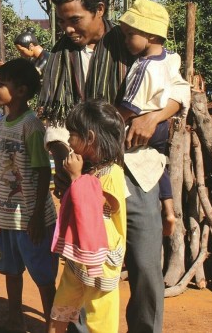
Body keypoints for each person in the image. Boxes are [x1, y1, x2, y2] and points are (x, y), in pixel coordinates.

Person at [38, 0, 189, 333]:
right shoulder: (59, 57)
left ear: (99, 10)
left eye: (75, 20)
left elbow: (178, 88)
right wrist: (68, 156)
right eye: (62, 21)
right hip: (84, 178)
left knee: (145, 266)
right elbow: (55, 120)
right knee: (82, 263)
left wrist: (154, 117)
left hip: (138, 172)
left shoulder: (131, 44)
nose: (68, 29)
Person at [0, 58, 57, 332]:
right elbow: (0, 171)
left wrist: (37, 216)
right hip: (8, 218)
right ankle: (15, 321)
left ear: (21, 91)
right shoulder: (2, 123)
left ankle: (53, 324)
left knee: (43, 277)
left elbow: (42, 172)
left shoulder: (32, 125)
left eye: (1, 84)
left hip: (31, 220)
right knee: (12, 271)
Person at [49, 100, 127, 333]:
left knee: (99, 320)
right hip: (79, 254)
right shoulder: (91, 169)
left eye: (72, 134)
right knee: (60, 308)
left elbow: (92, 207)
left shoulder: (112, 173)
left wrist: (75, 179)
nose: (69, 141)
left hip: (102, 260)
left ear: (90, 137)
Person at [118, 0, 188, 237]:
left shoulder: (143, 66)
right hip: (161, 126)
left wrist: (112, 118)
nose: (126, 41)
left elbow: (130, 105)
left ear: (151, 35)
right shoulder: (169, 59)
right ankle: (168, 210)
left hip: (142, 126)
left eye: (130, 35)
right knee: (160, 164)